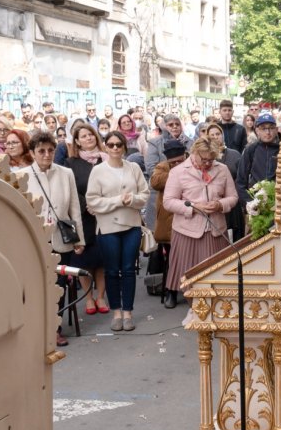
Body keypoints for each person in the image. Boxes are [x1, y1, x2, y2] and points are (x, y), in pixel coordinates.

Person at [21, 131, 85, 348]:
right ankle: (34, 327)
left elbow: (74, 208)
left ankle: (54, 328)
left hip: (61, 238)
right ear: (32, 153)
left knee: (59, 285)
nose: (47, 155)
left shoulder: (66, 173)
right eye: (41, 151)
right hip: (33, 239)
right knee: (34, 285)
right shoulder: (22, 176)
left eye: (50, 150)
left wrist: (79, 239)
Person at [163, 137, 238, 309]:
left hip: (215, 229)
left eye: (211, 160)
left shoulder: (223, 169)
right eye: (204, 159)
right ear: (194, 153)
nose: (207, 163)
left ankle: (213, 307)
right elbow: (168, 201)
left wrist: (220, 205)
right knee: (187, 273)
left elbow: (233, 197)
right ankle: (186, 301)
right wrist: (194, 208)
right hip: (187, 230)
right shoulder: (179, 171)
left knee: (214, 273)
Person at [86, 130, 150, 333]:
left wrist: (130, 199)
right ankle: (116, 312)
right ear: (105, 146)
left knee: (129, 269)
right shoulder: (98, 171)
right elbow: (93, 200)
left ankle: (128, 312)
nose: (115, 148)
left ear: (124, 147)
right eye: (111, 144)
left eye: (118, 144)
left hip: (131, 225)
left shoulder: (133, 168)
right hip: (107, 227)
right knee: (112, 270)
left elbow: (145, 194)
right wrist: (117, 200)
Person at [61, 122, 108, 314]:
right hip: (83, 215)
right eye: (83, 136)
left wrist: (101, 204)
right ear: (77, 142)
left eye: (91, 135)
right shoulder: (71, 163)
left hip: (104, 214)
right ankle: (88, 298)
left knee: (102, 259)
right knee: (85, 260)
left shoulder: (105, 160)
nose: (88, 138)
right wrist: (87, 205)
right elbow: (70, 189)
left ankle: (101, 297)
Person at [148, 138, 187, 298]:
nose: (177, 164)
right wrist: (177, 171)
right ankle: (170, 291)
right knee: (172, 259)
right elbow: (155, 182)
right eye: (173, 162)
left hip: (188, 217)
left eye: (180, 161)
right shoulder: (162, 167)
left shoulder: (193, 164)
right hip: (169, 221)